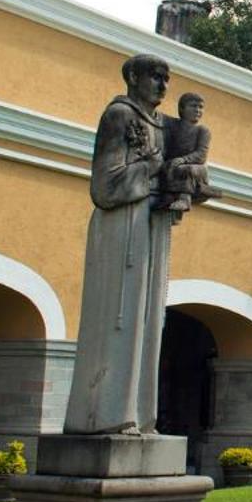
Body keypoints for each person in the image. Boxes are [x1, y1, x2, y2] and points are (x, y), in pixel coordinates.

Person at [63, 54, 184, 435]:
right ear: (133, 76)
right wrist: (151, 169)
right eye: (155, 77)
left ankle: (139, 416)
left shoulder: (163, 125)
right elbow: (105, 184)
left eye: (166, 79)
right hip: (121, 224)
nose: (163, 86)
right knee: (119, 317)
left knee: (147, 322)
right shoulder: (119, 115)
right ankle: (107, 415)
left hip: (150, 223)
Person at [156, 92, 219, 213]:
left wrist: (183, 160)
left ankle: (185, 199)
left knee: (185, 169)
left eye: (200, 107)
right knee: (165, 168)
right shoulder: (173, 125)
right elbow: (157, 117)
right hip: (174, 164)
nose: (197, 110)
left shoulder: (202, 131)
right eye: (193, 106)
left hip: (196, 169)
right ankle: (167, 198)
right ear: (182, 108)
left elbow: (201, 155)